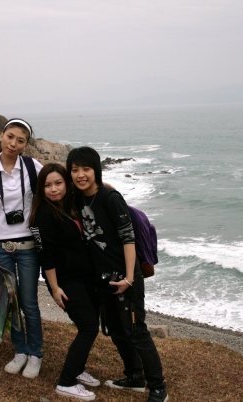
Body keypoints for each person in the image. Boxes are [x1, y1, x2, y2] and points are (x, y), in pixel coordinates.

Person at [66, 146, 169, 402]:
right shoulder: (78, 198)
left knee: (137, 331)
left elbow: (128, 238)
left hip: (125, 276)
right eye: (75, 170)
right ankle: (135, 376)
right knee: (115, 329)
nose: (80, 175)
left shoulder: (110, 198)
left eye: (86, 169)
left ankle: (158, 386)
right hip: (102, 278)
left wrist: (130, 278)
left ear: (96, 170)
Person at [0, 118, 44, 378]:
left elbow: (55, 188)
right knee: (9, 301)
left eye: (20, 140)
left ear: (26, 145)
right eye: (10, 136)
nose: (14, 143)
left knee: (29, 302)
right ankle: (20, 350)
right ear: (1, 136)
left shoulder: (33, 167)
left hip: (28, 246)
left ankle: (35, 354)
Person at [29, 163, 100, 401]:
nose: (54, 189)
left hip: (83, 278)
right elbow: (45, 255)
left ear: (66, 184)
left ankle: (77, 369)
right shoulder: (43, 215)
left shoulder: (70, 205)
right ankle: (66, 382)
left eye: (58, 183)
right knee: (88, 327)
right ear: (41, 189)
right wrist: (55, 288)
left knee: (90, 325)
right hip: (64, 281)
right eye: (47, 185)